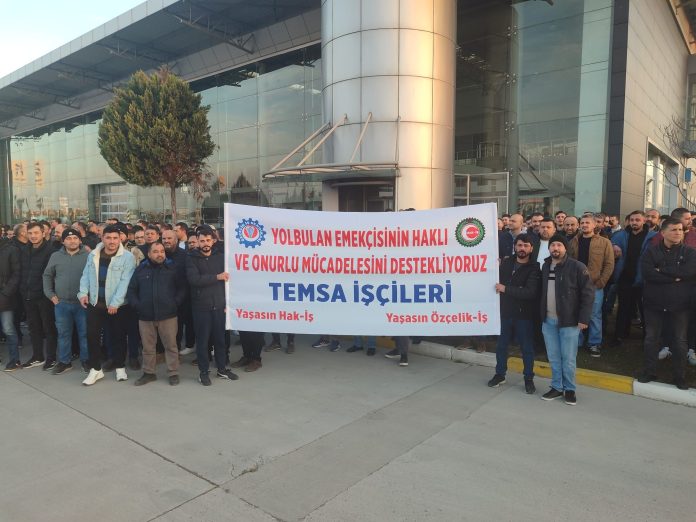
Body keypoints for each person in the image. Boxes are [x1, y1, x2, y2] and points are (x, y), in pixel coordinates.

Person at [637, 218, 696, 390]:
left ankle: (679, 377)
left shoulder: (690, 252)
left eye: (680, 230)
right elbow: (647, 273)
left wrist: (661, 270)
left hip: (680, 305)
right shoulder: (651, 252)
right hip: (654, 303)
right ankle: (649, 371)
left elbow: (689, 272)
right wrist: (675, 277)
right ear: (663, 233)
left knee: (679, 341)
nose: (678, 233)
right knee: (651, 339)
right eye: (673, 229)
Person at [539, 234, 594, 405]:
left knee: (568, 358)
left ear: (565, 248)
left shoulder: (577, 267)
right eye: (553, 245)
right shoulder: (545, 266)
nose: (555, 248)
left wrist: (583, 318)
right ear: (549, 248)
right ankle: (557, 387)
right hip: (548, 321)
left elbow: (588, 294)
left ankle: (569, 389)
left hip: (569, 321)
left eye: (559, 245)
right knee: (553, 357)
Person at [78, 225, 136, 386]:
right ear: (102, 238)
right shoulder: (93, 255)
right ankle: (96, 369)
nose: (112, 241)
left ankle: (120, 367)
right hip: (95, 303)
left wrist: (115, 303)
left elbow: (125, 282)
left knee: (118, 336)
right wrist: (82, 293)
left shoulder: (128, 257)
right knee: (92, 337)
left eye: (115, 238)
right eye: (108, 238)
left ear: (120, 239)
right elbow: (86, 275)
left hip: (117, 306)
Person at [488, 234, 541, 394]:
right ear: (515, 247)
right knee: (501, 346)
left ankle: (528, 378)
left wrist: (506, 289)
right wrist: (494, 266)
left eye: (526, 245)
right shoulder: (506, 263)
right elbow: (493, 280)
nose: (522, 248)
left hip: (523, 315)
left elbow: (530, 292)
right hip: (505, 312)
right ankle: (500, 374)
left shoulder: (534, 268)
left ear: (531, 248)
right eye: (519, 245)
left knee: (526, 348)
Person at [128, 242, 185, 386]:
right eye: (155, 251)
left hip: (168, 315)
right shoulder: (140, 270)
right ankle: (149, 373)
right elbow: (132, 290)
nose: (160, 254)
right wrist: (138, 306)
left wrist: (175, 303)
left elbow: (182, 288)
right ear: (149, 254)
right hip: (145, 316)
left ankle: (173, 372)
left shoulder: (173, 268)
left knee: (171, 346)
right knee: (148, 347)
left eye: (162, 251)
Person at [186, 226, 238, 384]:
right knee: (203, 342)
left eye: (208, 240)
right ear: (197, 241)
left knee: (220, 340)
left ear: (213, 241)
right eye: (202, 241)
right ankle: (203, 372)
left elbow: (229, 282)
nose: (205, 243)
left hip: (219, 306)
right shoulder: (191, 258)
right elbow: (194, 280)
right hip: (201, 307)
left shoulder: (221, 257)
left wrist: (227, 303)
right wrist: (217, 277)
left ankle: (222, 369)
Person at [42, 229, 89, 375]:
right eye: (68, 239)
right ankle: (64, 361)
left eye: (75, 238)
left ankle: (86, 360)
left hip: (83, 304)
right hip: (61, 304)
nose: (72, 241)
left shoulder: (89, 256)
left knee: (85, 334)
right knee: (63, 334)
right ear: (63, 241)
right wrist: (50, 295)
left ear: (80, 240)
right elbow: (47, 275)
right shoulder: (56, 256)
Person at [567, 215, 614, 357]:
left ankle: (594, 343)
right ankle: (577, 341)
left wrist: (601, 282)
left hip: (595, 285)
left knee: (594, 315)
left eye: (588, 222)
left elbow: (609, 264)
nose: (584, 225)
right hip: (576, 285)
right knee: (576, 313)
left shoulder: (605, 242)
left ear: (594, 225)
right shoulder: (573, 242)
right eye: (582, 222)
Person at [610, 210, 656, 345]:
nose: (634, 222)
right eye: (632, 220)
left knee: (645, 310)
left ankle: (648, 339)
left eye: (637, 220)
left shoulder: (653, 236)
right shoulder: (621, 235)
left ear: (643, 221)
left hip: (644, 278)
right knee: (623, 308)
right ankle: (619, 335)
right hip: (625, 277)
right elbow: (609, 244)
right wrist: (614, 245)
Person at [19, 222, 58, 370]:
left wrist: (49, 293)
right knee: (33, 328)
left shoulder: (51, 251)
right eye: (30, 233)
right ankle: (37, 356)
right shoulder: (24, 250)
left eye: (36, 233)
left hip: (44, 296)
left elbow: (52, 275)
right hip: (27, 295)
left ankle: (51, 358)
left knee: (49, 328)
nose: (33, 236)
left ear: (43, 233)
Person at [162, 229, 195, 355]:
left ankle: (187, 346)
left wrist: (180, 297)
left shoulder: (185, 255)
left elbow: (188, 278)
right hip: (164, 295)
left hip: (183, 297)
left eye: (169, 238)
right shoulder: (159, 253)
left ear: (176, 240)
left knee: (183, 323)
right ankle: (169, 350)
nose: (166, 241)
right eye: (164, 238)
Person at [0, 236, 20, 371]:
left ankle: (15, 360)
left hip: (5, 296)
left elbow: (16, 274)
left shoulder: (11, 249)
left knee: (8, 328)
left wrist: (6, 293)